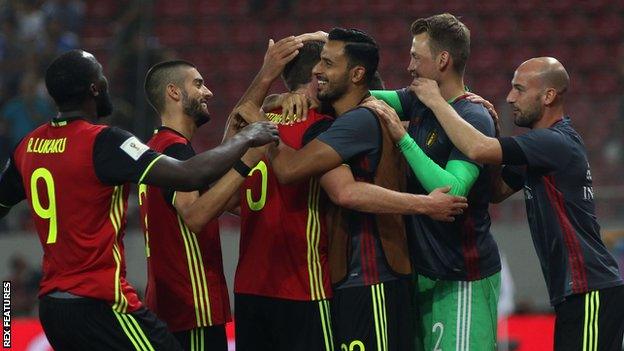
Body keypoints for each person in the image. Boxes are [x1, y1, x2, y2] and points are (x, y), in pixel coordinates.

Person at [0, 49, 279, 350]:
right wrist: (247, 138)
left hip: (53, 307)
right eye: (102, 77)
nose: (107, 82)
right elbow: (189, 175)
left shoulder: (27, 146)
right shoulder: (106, 141)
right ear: (94, 89)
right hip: (101, 303)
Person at [234, 28, 469, 351]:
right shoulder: (334, 116)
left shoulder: (355, 122)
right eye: (319, 63)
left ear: (357, 74)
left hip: (374, 275)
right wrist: (280, 96)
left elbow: (323, 183)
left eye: (329, 64)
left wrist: (264, 125)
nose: (319, 71)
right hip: (351, 277)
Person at [376, 56, 624, 351]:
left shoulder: (555, 143)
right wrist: (490, 129)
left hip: (590, 288)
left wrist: (436, 103)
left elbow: (477, 148)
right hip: (575, 291)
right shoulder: (541, 147)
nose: (509, 98)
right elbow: (497, 190)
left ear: (548, 96)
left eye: (519, 89)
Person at [367, 13, 501, 351]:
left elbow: (453, 191)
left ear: (442, 60)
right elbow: (357, 97)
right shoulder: (418, 100)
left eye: (416, 56)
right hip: (425, 273)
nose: (409, 65)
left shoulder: (474, 116)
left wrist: (403, 138)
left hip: (462, 275)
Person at [139, 60, 267, 350]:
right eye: (197, 84)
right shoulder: (176, 150)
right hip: (191, 307)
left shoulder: (155, 147)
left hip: (170, 305)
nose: (207, 92)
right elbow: (196, 216)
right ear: (173, 92)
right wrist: (248, 160)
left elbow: (217, 201)